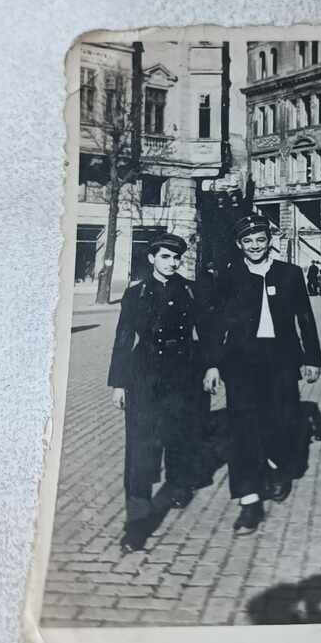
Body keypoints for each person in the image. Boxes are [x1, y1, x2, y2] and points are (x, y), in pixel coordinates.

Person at [202, 214, 321, 536]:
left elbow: (305, 319)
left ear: (269, 240)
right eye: (248, 241)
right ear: (240, 244)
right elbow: (216, 325)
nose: (255, 246)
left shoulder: (290, 273)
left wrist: (312, 358)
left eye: (260, 239)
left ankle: (277, 469)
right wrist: (212, 364)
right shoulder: (227, 277)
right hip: (241, 363)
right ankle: (249, 500)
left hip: (282, 361)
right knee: (243, 429)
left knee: (281, 421)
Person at [108, 233, 210, 553]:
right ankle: (136, 523)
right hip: (145, 376)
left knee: (179, 434)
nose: (172, 263)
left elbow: (206, 333)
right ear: (152, 258)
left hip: (183, 375)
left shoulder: (190, 290)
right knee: (140, 448)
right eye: (165, 257)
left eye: (176, 258)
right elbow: (124, 337)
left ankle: (178, 482)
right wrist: (119, 383)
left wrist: (211, 367)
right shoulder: (136, 294)